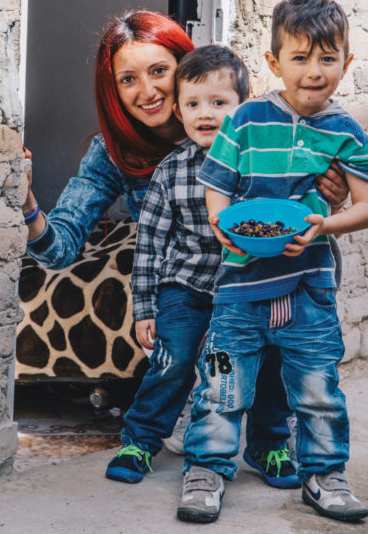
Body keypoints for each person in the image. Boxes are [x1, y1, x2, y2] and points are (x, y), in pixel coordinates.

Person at [21, 10, 306, 466]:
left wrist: (331, 187)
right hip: (184, 276)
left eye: (159, 71)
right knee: (145, 279)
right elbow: (60, 247)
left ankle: (272, 419)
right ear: (112, 91)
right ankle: (182, 398)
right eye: (127, 79)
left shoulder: (251, 130)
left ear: (185, 68)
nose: (147, 90)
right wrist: (28, 206)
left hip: (251, 275)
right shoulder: (112, 153)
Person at [176, 0, 368, 525]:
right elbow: (216, 187)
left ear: (346, 63)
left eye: (327, 58)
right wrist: (225, 228)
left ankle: (325, 475)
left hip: (309, 286)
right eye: (300, 58)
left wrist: (323, 224)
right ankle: (206, 471)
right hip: (241, 287)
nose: (315, 71)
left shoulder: (349, 135)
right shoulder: (245, 120)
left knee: (318, 389)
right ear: (274, 62)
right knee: (222, 385)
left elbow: (366, 209)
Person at [105, 45, 300, 487]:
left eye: (219, 103)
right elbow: (151, 244)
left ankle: (269, 445)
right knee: (172, 359)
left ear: (243, 108)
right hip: (187, 286)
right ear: (178, 109)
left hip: (252, 288)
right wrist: (145, 308)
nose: (205, 114)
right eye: (193, 104)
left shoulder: (261, 166)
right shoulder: (172, 171)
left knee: (274, 360)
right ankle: (140, 440)